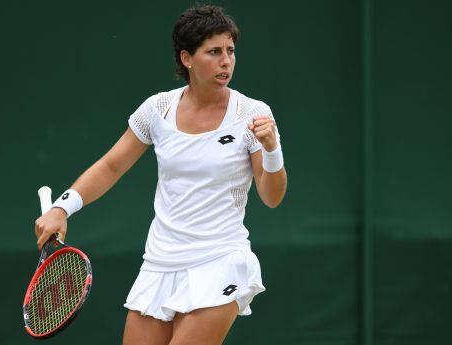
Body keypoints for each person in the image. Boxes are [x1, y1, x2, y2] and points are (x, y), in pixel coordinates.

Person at [34, 4, 287, 345]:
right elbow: (111, 166)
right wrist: (61, 208)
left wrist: (272, 149)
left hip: (220, 260)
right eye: (213, 52)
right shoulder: (157, 109)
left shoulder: (253, 115)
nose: (226, 60)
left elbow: (272, 197)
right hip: (160, 263)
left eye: (230, 51)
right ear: (187, 58)